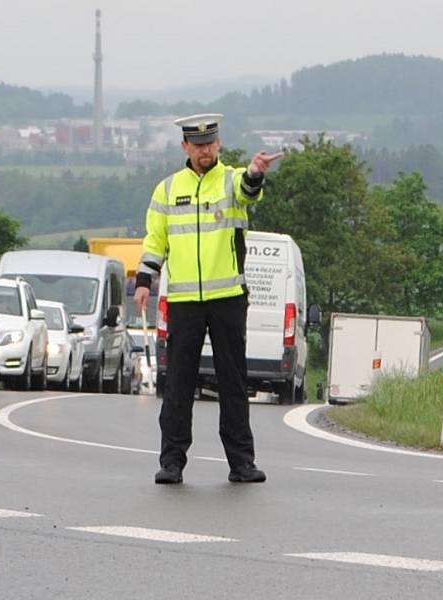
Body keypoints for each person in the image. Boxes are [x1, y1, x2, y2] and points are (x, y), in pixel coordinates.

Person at [133, 113, 283, 485]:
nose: (205, 151)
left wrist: (256, 172)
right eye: (198, 145)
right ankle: (171, 462)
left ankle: (241, 462)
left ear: (218, 144)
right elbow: (155, 241)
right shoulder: (167, 190)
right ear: (185, 146)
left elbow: (250, 191)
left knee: (233, 381)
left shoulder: (231, 180)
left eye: (210, 144)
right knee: (178, 383)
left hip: (227, 299)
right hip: (184, 302)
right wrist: (144, 280)